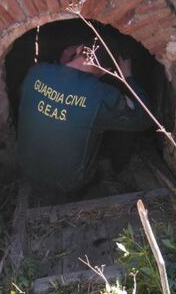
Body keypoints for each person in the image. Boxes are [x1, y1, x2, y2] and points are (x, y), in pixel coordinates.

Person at [17, 36, 152, 199]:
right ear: (105, 71)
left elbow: (56, 92)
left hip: (29, 173)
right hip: (69, 185)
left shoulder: (36, 72)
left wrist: (63, 65)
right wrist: (128, 77)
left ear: (79, 49)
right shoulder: (101, 94)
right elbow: (143, 117)